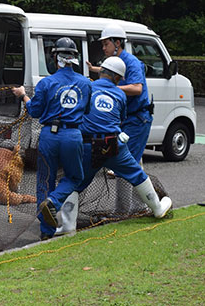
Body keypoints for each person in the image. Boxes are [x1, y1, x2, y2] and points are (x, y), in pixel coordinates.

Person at [54, 56, 172, 236]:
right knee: (137, 174)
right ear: (119, 78)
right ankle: (157, 208)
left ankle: (68, 226)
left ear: (101, 71)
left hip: (87, 144)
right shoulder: (119, 94)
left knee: (74, 182)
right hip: (113, 144)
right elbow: (120, 118)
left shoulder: (87, 87)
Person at [12, 37, 91, 240]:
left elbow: (35, 111)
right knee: (74, 177)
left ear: (55, 57)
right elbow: (87, 110)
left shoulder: (47, 83)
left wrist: (23, 95)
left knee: (45, 180)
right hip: (73, 135)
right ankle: (54, 202)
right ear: (74, 58)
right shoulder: (85, 83)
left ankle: (46, 229)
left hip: (49, 136)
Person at [88, 24, 152, 165]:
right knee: (129, 161)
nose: (103, 48)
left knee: (126, 164)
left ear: (117, 43)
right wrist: (94, 69)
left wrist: (112, 88)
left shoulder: (132, 62)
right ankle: (137, 183)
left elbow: (137, 89)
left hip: (137, 118)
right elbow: (112, 71)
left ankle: (137, 185)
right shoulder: (113, 62)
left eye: (106, 44)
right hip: (126, 118)